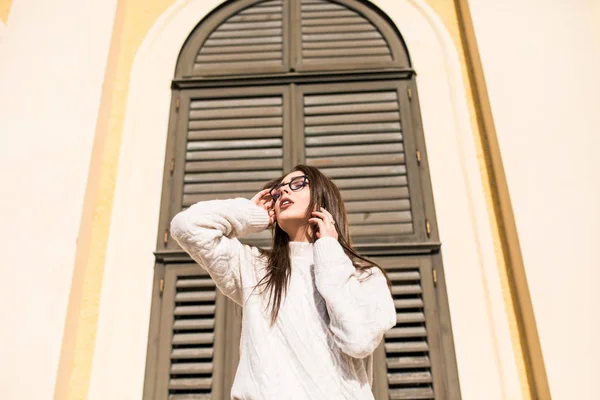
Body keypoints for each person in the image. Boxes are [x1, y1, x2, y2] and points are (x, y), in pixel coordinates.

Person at [170, 164, 397, 399]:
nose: (284, 192)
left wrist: (328, 250)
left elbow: (357, 340)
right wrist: (251, 214)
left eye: (297, 184)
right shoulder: (256, 268)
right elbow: (186, 226)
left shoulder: (364, 276)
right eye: (278, 192)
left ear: (323, 197)